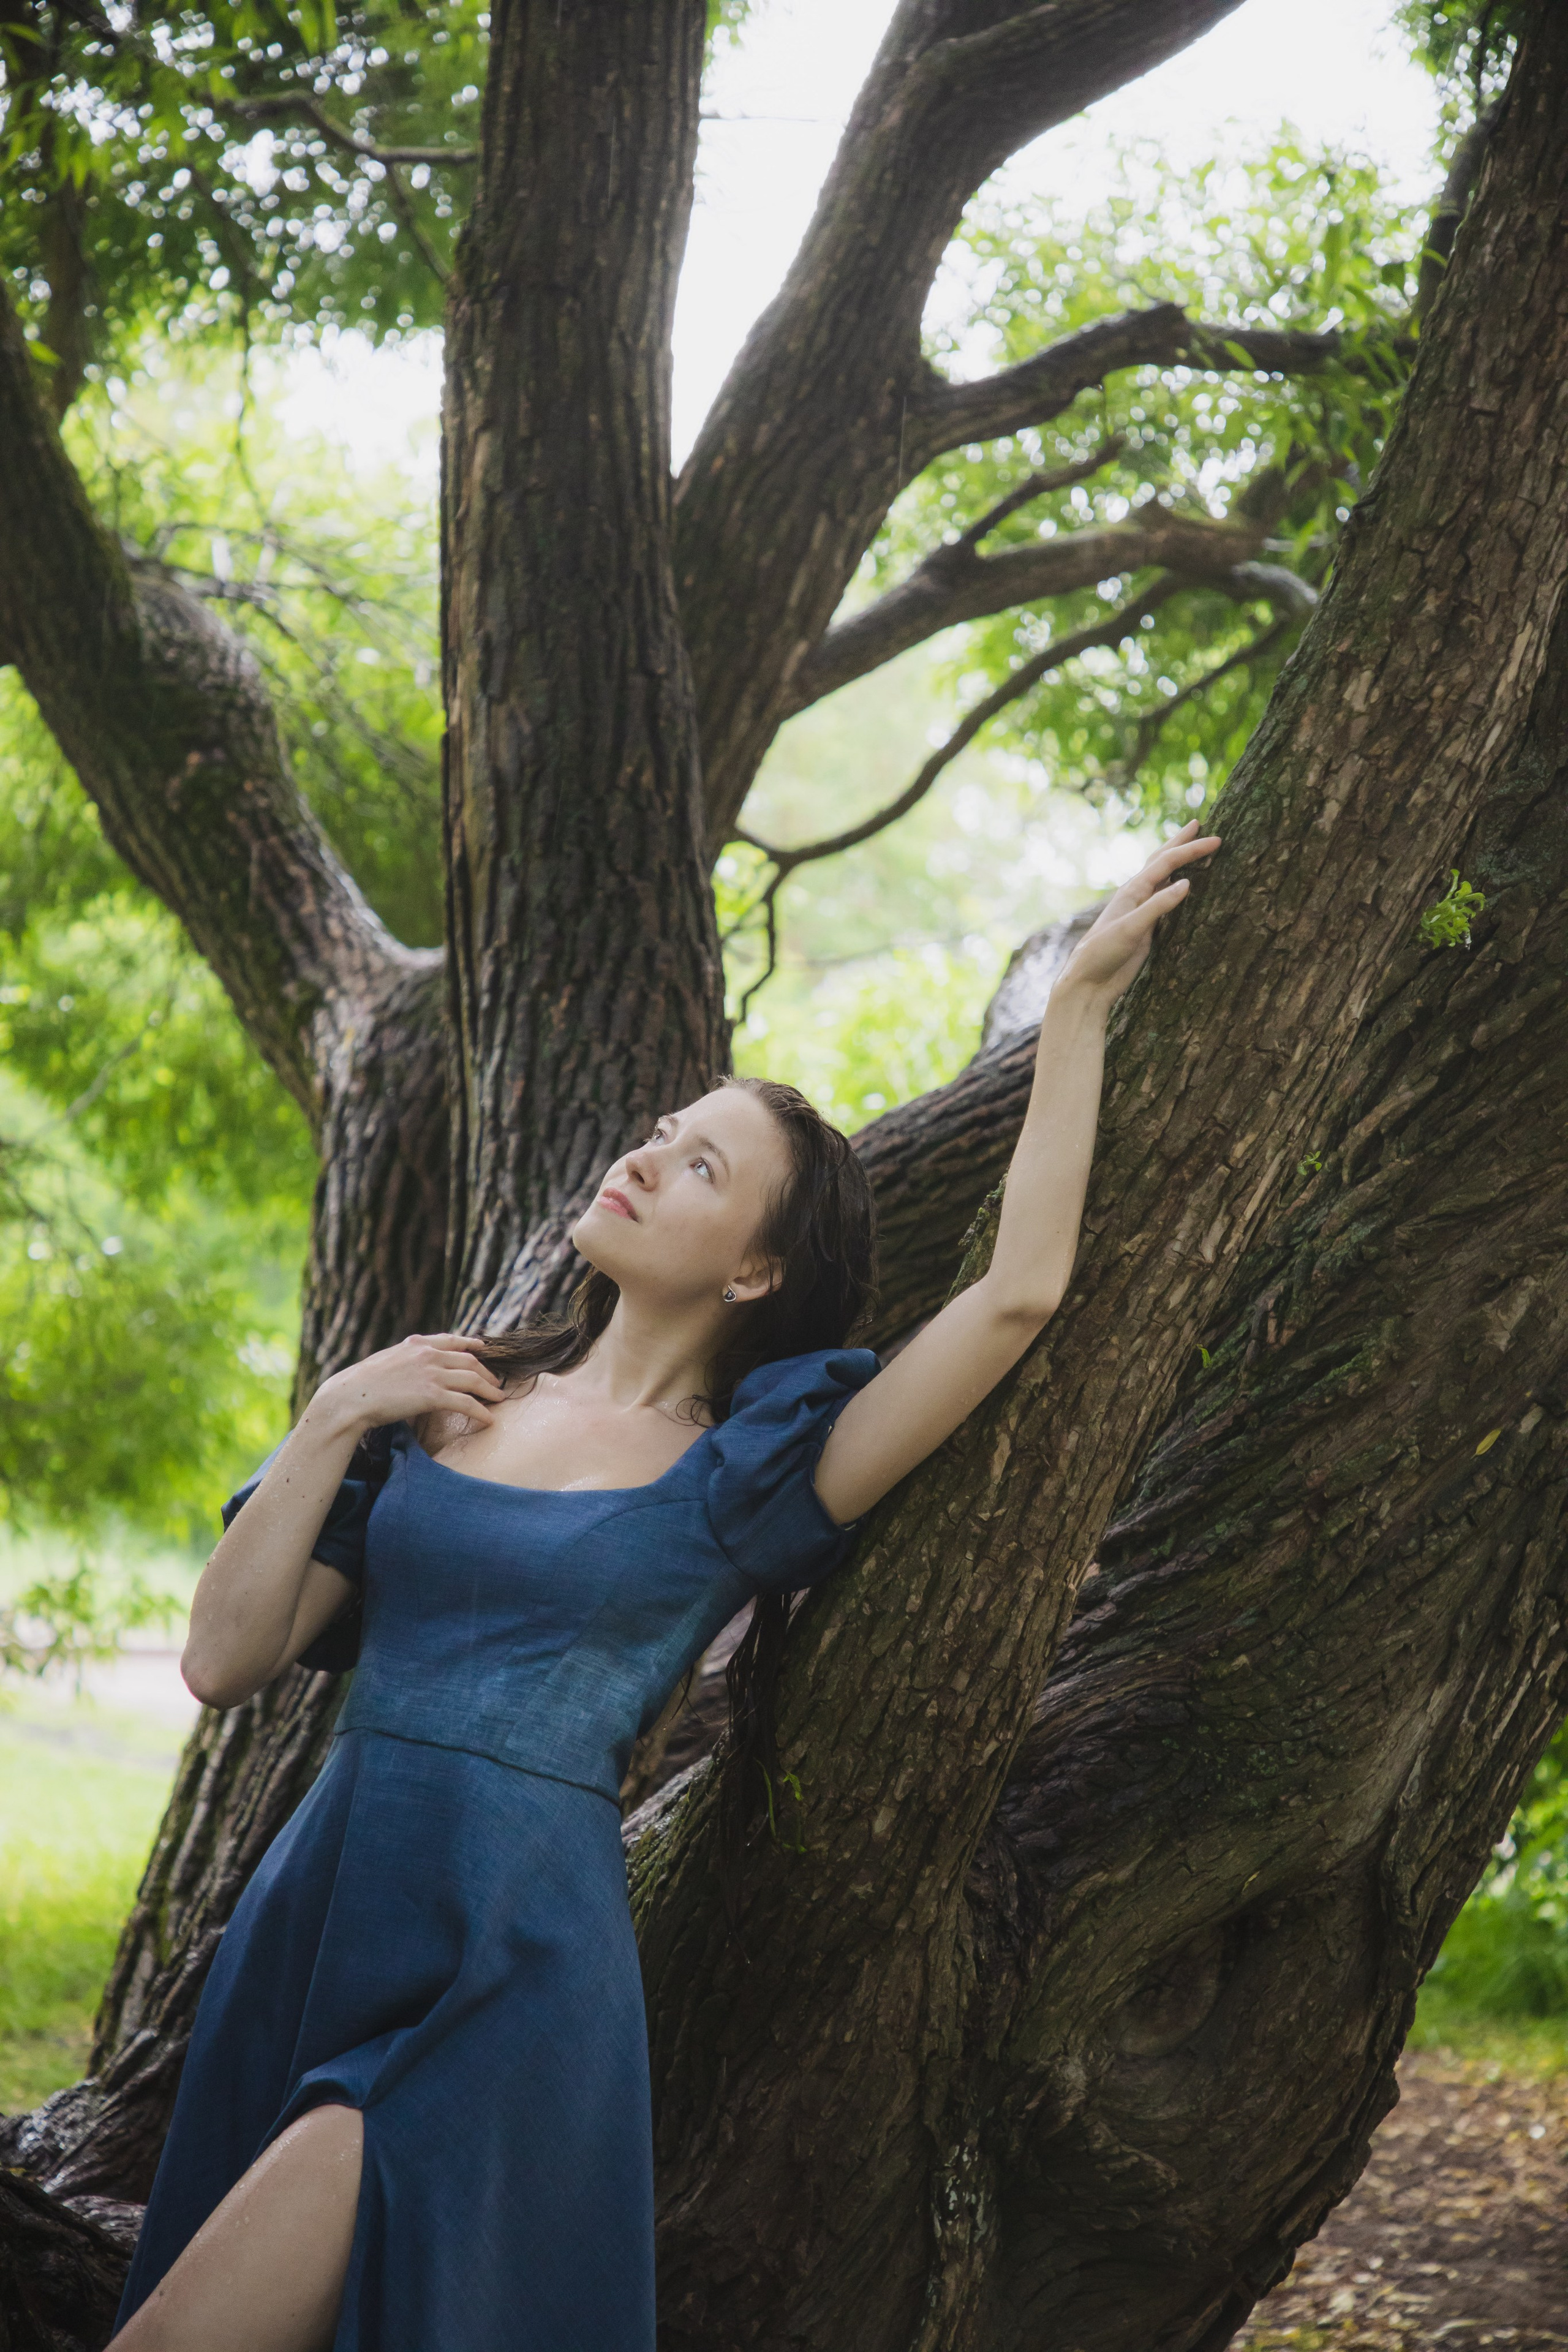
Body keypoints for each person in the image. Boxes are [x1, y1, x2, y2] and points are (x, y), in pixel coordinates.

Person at [108, 821, 1219, 2352]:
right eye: (658, 1130)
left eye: (700, 1164)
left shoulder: (746, 1476)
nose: (641, 1157)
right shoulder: (447, 1404)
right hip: (319, 1911)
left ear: (754, 1272)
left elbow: (1016, 1297)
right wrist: (329, 1418)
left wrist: (1079, 1013)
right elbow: (224, 1662)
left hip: (507, 1967)